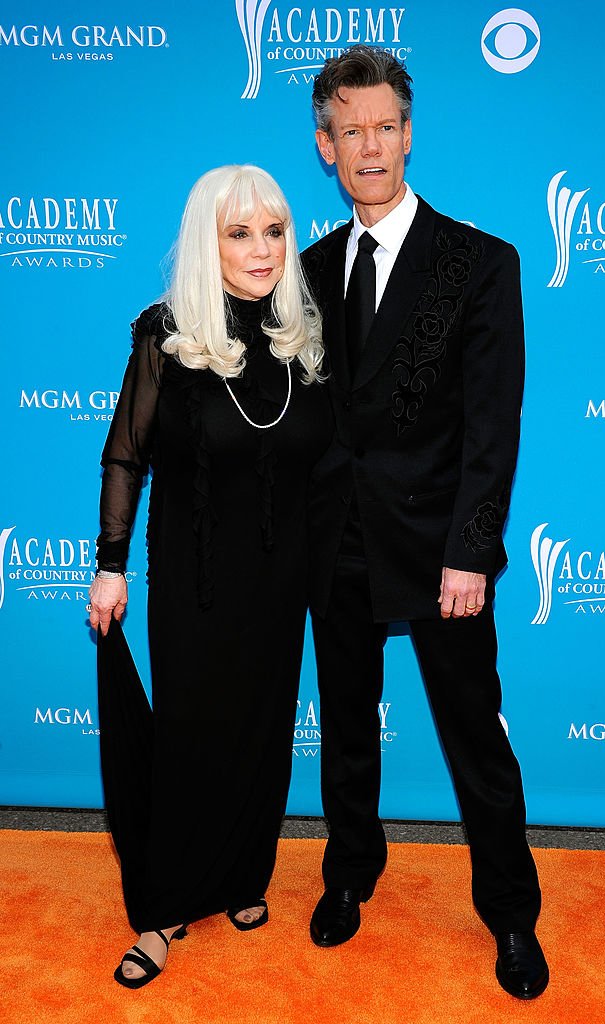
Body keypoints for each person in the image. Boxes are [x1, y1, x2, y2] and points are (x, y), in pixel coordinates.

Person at [301, 46, 549, 1000]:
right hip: (339, 546)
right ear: (326, 146)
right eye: (349, 130)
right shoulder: (309, 268)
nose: (370, 146)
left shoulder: (479, 263)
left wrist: (472, 552)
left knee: (473, 738)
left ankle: (513, 917)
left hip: (442, 551)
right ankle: (349, 873)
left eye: (384, 126)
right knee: (348, 730)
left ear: (409, 135)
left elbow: (493, 424)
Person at [89, 164, 332, 988]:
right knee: (191, 736)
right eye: (239, 232)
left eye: (273, 229)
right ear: (208, 239)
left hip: (279, 581)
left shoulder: (303, 333)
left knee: (261, 732)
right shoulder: (165, 334)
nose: (261, 248)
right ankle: (162, 909)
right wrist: (109, 566)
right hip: (192, 581)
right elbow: (125, 454)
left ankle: (237, 876)